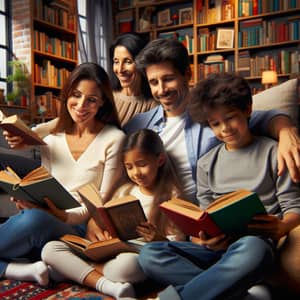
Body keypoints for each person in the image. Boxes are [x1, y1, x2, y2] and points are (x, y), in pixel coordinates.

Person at [138, 73, 300, 300]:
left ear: (247, 110)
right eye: (215, 124)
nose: (225, 129)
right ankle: (240, 291)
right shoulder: (206, 163)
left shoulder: (274, 152)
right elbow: (203, 214)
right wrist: (203, 239)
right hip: (216, 251)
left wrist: (282, 227)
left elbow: (294, 207)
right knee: (150, 254)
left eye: (231, 117)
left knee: (254, 248)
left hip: (254, 247)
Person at [123, 38, 300, 204]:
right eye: (154, 82)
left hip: (201, 212)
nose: (161, 90)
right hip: (156, 214)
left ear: (187, 74)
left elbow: (264, 117)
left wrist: (286, 131)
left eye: (168, 79)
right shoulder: (138, 125)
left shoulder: (214, 115)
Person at [0, 62, 124, 286]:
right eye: (75, 95)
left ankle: (19, 265)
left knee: (34, 219)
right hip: (43, 216)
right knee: (32, 217)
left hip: (78, 224)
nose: (81, 105)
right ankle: (23, 270)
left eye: (92, 100)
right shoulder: (51, 140)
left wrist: (58, 215)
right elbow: (45, 185)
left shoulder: (114, 139)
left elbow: (100, 202)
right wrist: (27, 199)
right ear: (66, 95)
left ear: (103, 102)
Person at [41, 128, 185, 299]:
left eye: (142, 164)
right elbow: (102, 220)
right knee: (50, 249)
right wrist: (100, 233)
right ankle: (106, 284)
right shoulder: (124, 189)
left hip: (135, 256)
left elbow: (179, 243)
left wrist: (157, 238)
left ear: (159, 160)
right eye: (129, 167)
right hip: (107, 252)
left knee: (127, 267)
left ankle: (72, 270)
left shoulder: (172, 195)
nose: (136, 173)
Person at [110, 32, 158, 126]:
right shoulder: (106, 98)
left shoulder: (154, 106)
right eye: (116, 62)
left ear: (142, 63)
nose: (120, 70)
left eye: (128, 62)